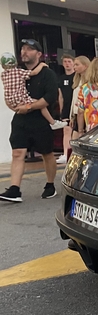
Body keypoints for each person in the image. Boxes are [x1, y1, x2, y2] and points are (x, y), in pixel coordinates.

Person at [0, 39, 61, 202]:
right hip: (20, 120)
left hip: (40, 120)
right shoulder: (16, 72)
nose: (24, 52)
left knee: (47, 153)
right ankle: (14, 190)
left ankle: (50, 185)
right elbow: (9, 93)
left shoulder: (47, 73)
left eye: (29, 49)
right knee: (17, 153)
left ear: (39, 54)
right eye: (22, 49)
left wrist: (29, 107)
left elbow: (49, 98)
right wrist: (14, 107)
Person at [1, 52, 66, 130]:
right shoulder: (19, 72)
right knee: (41, 105)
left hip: (11, 100)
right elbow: (34, 72)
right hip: (22, 99)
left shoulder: (3, 74)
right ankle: (52, 122)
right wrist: (42, 65)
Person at [56, 54, 75, 164]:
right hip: (66, 108)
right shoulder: (61, 79)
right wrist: (62, 110)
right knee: (66, 130)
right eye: (65, 62)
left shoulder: (77, 77)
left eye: (69, 61)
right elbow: (60, 96)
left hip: (76, 107)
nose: (67, 64)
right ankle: (65, 153)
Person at [68, 56, 90, 143]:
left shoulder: (89, 82)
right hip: (77, 113)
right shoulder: (77, 80)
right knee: (74, 140)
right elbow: (74, 100)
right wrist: (72, 116)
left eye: (77, 65)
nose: (74, 67)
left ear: (85, 66)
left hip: (85, 113)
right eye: (74, 65)